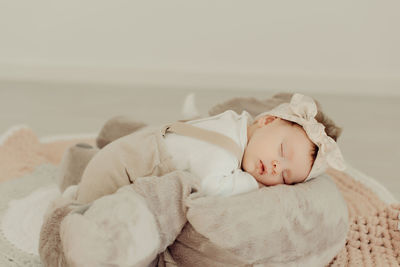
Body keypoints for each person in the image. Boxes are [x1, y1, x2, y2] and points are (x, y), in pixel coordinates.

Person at [75, 93, 345, 203]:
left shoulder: (236, 124)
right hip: (117, 176)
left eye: (285, 177)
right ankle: (74, 200)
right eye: (282, 152)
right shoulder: (225, 145)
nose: (276, 167)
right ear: (267, 121)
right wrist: (257, 185)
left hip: (124, 159)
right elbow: (214, 187)